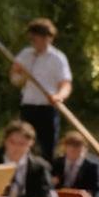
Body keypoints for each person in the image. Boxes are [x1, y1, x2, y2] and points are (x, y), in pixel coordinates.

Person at [9, 18, 72, 163]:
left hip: (47, 108)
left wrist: (58, 96)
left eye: (37, 38)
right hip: (28, 107)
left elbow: (66, 84)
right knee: (24, 145)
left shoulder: (58, 58)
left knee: (47, 148)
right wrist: (19, 74)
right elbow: (14, 79)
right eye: (32, 39)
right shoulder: (25, 54)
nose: (34, 42)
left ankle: (45, 179)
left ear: (48, 38)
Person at [0, 120, 58, 197]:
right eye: (12, 142)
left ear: (30, 143)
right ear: (5, 141)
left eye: (22, 144)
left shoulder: (39, 166)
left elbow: (48, 195)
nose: (16, 148)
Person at [52, 131, 99, 197]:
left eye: (77, 145)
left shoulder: (92, 165)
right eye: (70, 145)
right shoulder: (57, 162)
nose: (73, 148)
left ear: (84, 148)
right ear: (65, 147)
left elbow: (97, 188)